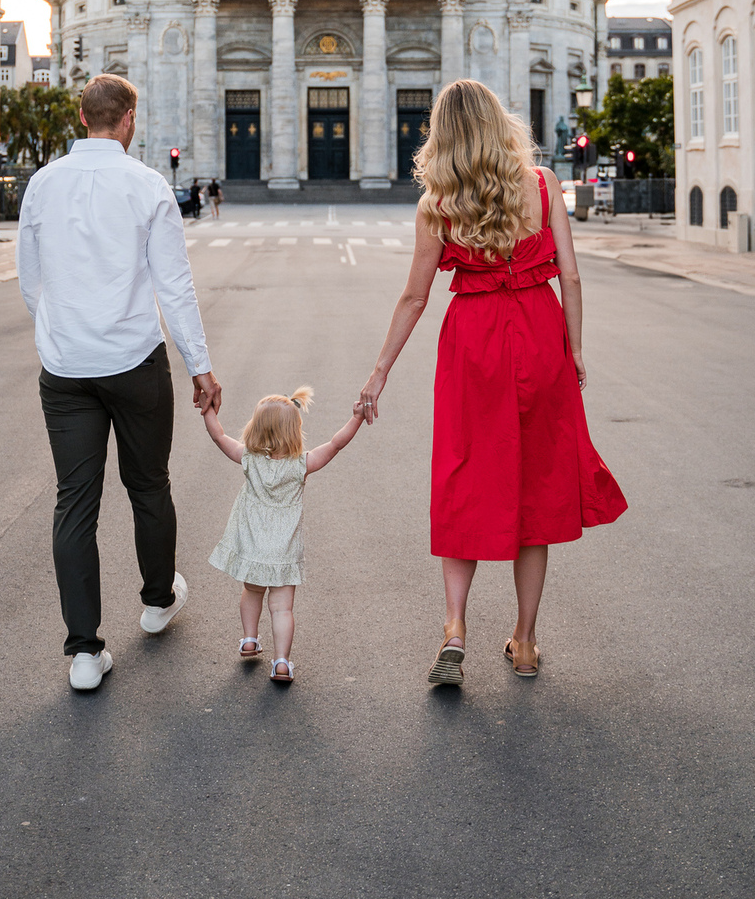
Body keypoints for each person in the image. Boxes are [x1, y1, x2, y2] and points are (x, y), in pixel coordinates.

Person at [357, 79, 626, 686]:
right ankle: (525, 641)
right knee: (536, 484)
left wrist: (378, 374)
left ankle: (455, 627)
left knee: (463, 473)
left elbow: (414, 297)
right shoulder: (541, 185)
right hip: (538, 334)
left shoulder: (439, 202)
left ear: (443, 134)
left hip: (473, 342)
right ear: (501, 123)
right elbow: (573, 278)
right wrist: (575, 348)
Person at [16, 73, 222, 692]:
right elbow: (174, 286)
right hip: (134, 362)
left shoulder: (42, 185)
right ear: (127, 120)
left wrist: (59, 334)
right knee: (148, 484)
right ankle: (158, 602)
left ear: (82, 119)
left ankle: (84, 653)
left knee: (74, 502)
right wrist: (200, 364)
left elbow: (30, 280)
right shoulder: (147, 185)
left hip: (66, 369)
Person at [202, 387, 365, 682]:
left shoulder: (248, 459)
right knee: (281, 608)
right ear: (295, 431)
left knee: (251, 592)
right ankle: (281, 663)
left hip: (252, 546)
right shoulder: (301, 465)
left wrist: (208, 409)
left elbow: (219, 436)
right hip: (283, 551)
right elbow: (335, 444)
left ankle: (249, 639)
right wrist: (355, 418)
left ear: (255, 428)